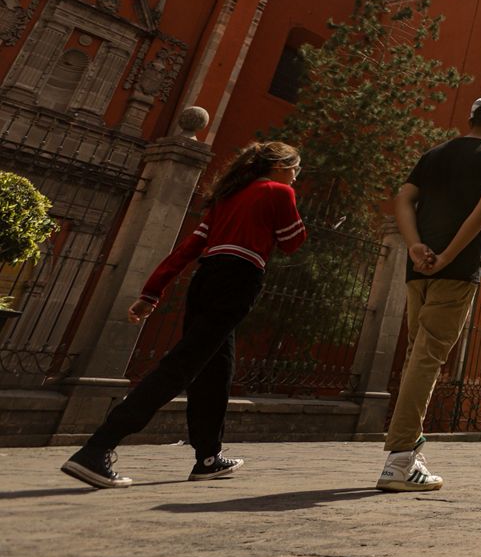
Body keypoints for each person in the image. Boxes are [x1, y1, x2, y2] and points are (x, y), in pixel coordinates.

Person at [61, 142, 307, 489]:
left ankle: (208, 458)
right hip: (239, 279)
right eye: (295, 169)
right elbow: (293, 241)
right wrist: (290, 208)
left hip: (206, 279)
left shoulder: (226, 198)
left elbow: (189, 248)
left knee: (216, 371)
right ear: (280, 166)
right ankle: (97, 447)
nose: (296, 176)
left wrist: (151, 292)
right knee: (182, 365)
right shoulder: (279, 192)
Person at [377, 97, 481, 491]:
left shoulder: (433, 155)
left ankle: (407, 453)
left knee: (416, 355)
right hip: (453, 270)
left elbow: (403, 199)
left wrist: (415, 245)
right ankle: (401, 457)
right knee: (428, 358)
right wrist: (449, 255)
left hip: (417, 269)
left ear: (471, 119)